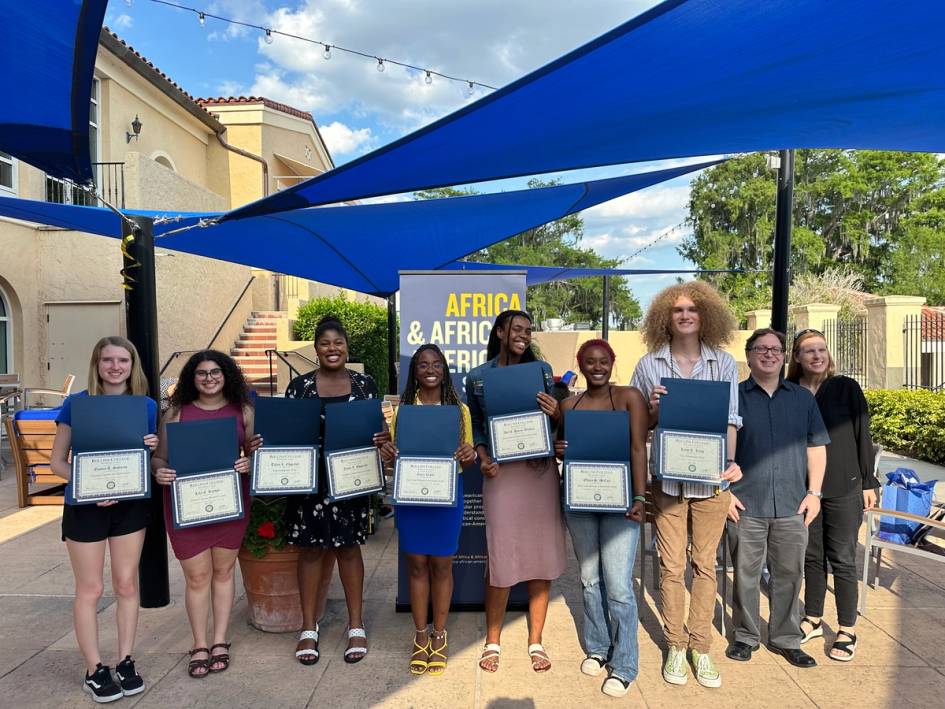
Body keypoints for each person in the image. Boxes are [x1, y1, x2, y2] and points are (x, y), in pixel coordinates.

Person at [629, 281, 742, 688]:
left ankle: (701, 646)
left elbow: (731, 419)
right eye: (677, 310)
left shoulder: (724, 363)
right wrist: (656, 409)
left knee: (705, 565)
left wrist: (730, 464)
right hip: (668, 483)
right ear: (665, 316)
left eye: (692, 309)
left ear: (705, 315)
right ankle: (676, 645)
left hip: (711, 483)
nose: (685, 315)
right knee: (671, 566)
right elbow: (638, 428)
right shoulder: (648, 365)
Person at [50, 336, 158, 703]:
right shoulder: (75, 405)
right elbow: (57, 462)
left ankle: (125, 660)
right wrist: (90, 489)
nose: (115, 367)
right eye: (108, 360)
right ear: (97, 364)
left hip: (129, 505)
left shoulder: (145, 406)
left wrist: (153, 450)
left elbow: (148, 462)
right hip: (84, 507)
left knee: (127, 584)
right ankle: (94, 668)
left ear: (133, 366)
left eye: (123, 361)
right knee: (90, 589)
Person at [277, 316, 384, 666]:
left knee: (349, 550)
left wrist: (382, 438)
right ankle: (308, 628)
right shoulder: (300, 387)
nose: (332, 348)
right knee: (309, 553)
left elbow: (377, 427)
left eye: (338, 342)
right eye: (325, 343)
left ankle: (356, 625)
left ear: (346, 346)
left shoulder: (364, 384)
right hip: (310, 484)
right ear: (316, 348)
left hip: (350, 482)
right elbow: (288, 435)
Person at [466, 309, 567, 674]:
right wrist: (482, 457)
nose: (523, 334)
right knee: (502, 554)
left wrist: (557, 414)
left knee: (540, 555)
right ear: (500, 331)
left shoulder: (541, 370)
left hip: (538, 473)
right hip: (501, 474)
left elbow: (556, 422)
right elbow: (475, 425)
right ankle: (493, 640)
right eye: (517, 329)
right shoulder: (477, 377)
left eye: (528, 329)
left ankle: (535, 640)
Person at [725, 328, 829, 669]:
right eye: (761, 349)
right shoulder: (733, 397)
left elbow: (816, 447)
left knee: (788, 575)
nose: (769, 354)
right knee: (745, 574)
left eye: (775, 349)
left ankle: (786, 638)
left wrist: (814, 493)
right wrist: (724, 494)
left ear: (785, 356)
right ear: (749, 354)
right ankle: (745, 636)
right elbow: (717, 448)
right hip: (745, 503)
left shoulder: (802, 400)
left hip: (792, 503)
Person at [151, 351, 253, 678]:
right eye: (201, 373)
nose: (209, 378)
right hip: (186, 504)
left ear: (227, 375)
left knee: (223, 573)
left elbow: (258, 451)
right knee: (196, 577)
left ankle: (220, 640)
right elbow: (160, 458)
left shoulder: (245, 411)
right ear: (191, 379)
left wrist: (251, 462)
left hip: (229, 502)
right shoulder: (177, 413)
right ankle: (198, 643)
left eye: (215, 372)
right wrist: (159, 472)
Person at [555, 339, 648, 698]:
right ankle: (598, 646)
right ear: (580, 365)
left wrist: (640, 496)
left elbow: (638, 446)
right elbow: (561, 446)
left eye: (603, 361)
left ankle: (624, 664)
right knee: (590, 579)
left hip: (621, 501)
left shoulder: (628, 397)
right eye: (590, 362)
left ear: (612, 362)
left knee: (620, 585)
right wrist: (559, 447)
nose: (597, 367)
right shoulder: (568, 405)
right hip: (579, 500)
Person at [378, 344, 477, 675]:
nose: (430, 369)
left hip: (447, 495)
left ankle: (440, 634)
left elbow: (469, 452)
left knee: (441, 564)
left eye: (436, 364)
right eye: (422, 365)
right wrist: (388, 452)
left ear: (444, 370)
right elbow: (396, 456)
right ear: (414, 371)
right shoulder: (403, 410)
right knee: (417, 565)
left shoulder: (459, 410)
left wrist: (469, 454)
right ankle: (421, 636)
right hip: (412, 496)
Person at [787, 329, 879, 661]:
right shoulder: (790, 392)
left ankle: (846, 628)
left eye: (821, 349)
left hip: (844, 486)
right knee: (812, 556)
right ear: (796, 357)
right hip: (805, 488)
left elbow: (862, 434)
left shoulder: (845, 388)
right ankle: (812, 617)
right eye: (808, 350)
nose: (817, 355)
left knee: (841, 556)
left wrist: (868, 482)